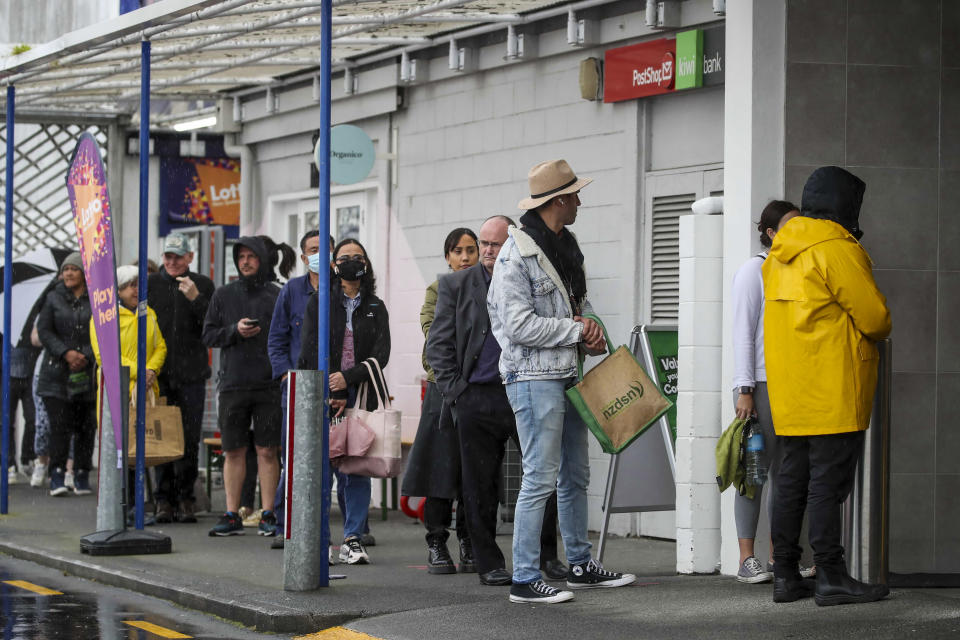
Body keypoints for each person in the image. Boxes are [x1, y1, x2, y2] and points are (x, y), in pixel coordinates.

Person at [488, 159, 636, 604]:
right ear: (558, 200)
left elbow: (578, 302)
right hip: (532, 378)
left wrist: (589, 327)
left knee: (575, 473)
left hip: (567, 374)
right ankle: (525, 579)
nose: (579, 202)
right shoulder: (517, 254)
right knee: (539, 477)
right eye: (574, 195)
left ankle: (580, 564)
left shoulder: (562, 245)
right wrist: (577, 330)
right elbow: (517, 325)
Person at [763, 166, 891, 606]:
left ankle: (784, 574)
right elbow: (875, 319)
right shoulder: (837, 249)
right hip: (834, 385)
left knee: (792, 481)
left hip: (790, 388)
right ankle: (831, 575)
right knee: (826, 485)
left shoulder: (780, 252)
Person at [429, 215, 567, 587]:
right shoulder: (455, 285)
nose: (489, 251)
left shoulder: (528, 276)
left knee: (541, 477)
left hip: (524, 387)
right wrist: (458, 393)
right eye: (484, 244)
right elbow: (438, 345)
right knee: (479, 485)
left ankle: (548, 556)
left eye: (496, 243)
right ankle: (489, 561)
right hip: (477, 396)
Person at [731, 200, 811, 584]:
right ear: (770, 232)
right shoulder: (755, 269)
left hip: (791, 384)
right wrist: (744, 389)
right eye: (791, 226)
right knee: (755, 471)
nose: (799, 231)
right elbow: (742, 334)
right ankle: (747, 558)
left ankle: (781, 557)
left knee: (789, 474)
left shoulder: (797, 269)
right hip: (760, 384)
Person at [299, 238, 390, 565]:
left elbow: (382, 354)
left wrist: (348, 380)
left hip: (360, 394)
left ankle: (352, 539)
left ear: (365, 264)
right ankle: (320, 540)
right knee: (321, 469)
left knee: (355, 468)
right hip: (324, 394)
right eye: (345, 257)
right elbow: (310, 349)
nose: (352, 262)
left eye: (358, 257)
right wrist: (332, 388)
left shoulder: (376, 306)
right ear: (334, 265)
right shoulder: (319, 302)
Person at [203, 235, 296, 537]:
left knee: (268, 450)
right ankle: (232, 513)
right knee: (233, 451)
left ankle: (268, 513)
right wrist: (234, 331)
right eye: (240, 256)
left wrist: (283, 372)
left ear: (262, 259)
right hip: (233, 384)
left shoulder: (277, 294)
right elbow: (208, 336)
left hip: (270, 384)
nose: (245, 261)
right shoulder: (223, 294)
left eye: (251, 256)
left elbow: (289, 337)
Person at [402, 227, 479, 574]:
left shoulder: (491, 289)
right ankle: (436, 542)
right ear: (447, 257)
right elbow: (435, 338)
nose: (465, 257)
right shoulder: (437, 291)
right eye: (457, 251)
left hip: (480, 390)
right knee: (439, 468)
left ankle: (468, 540)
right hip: (443, 389)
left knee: (472, 473)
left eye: (471, 250)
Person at [148, 232, 216, 523]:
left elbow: (212, 327)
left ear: (190, 257)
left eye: (178, 256)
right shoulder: (150, 284)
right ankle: (163, 500)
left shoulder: (202, 284)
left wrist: (196, 299)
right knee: (160, 438)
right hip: (159, 374)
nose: (173, 262)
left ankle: (186, 497)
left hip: (191, 374)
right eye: (168, 256)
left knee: (189, 438)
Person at [266, 229, 323, 549]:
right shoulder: (291, 291)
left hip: (332, 385)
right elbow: (276, 339)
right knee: (295, 456)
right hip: (298, 386)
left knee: (340, 458)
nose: (319, 254)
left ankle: (349, 530)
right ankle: (282, 523)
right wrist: (285, 376)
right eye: (312, 249)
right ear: (303, 257)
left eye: (324, 248)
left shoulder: (340, 288)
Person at [35, 252, 96, 496]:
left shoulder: (97, 297)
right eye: (66, 269)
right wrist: (67, 353)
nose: (68, 273)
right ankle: (57, 474)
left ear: (84, 273)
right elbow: (44, 331)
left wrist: (86, 355)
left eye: (74, 269)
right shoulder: (52, 297)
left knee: (85, 426)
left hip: (88, 374)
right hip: (56, 375)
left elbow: (105, 328)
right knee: (59, 426)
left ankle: (81, 474)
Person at [90, 264, 167, 451]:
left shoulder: (149, 313)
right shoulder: (104, 317)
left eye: (140, 285)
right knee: (118, 452)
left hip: (146, 390)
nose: (138, 290)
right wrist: (140, 372)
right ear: (119, 289)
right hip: (118, 392)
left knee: (146, 449)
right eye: (132, 285)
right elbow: (105, 355)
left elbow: (160, 347)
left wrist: (151, 370)